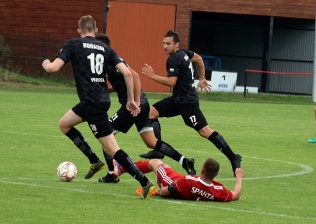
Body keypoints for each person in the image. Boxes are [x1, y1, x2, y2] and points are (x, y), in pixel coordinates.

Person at [41, 15, 156, 199]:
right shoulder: (105, 48)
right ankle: (94, 161)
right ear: (95, 31)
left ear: (79, 31)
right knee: (64, 124)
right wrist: (131, 99)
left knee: (113, 150)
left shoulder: (73, 44)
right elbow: (127, 72)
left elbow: (53, 68)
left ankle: (145, 183)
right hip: (97, 101)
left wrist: (46, 63)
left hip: (92, 105)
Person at [93, 33, 196, 184]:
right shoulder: (112, 60)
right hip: (143, 103)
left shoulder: (110, 62)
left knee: (105, 135)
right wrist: (108, 90)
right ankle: (183, 161)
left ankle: (112, 173)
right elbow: (122, 83)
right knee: (152, 142)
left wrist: (135, 101)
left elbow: (134, 76)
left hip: (133, 106)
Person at [141, 30, 242, 176]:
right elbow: (199, 59)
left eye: (168, 43)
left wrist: (152, 76)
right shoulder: (184, 53)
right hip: (177, 100)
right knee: (151, 112)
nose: (165, 46)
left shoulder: (174, 58)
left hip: (187, 102)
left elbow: (171, 81)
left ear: (176, 44)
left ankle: (234, 158)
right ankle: (158, 150)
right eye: (163, 43)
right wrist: (201, 78)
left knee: (205, 131)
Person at [114, 158, 244, 202]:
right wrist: (239, 178)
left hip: (170, 181)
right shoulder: (219, 190)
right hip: (182, 183)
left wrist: (156, 192)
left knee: (155, 162)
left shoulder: (187, 181)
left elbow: (167, 191)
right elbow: (236, 195)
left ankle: (120, 168)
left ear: (202, 171)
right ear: (215, 175)